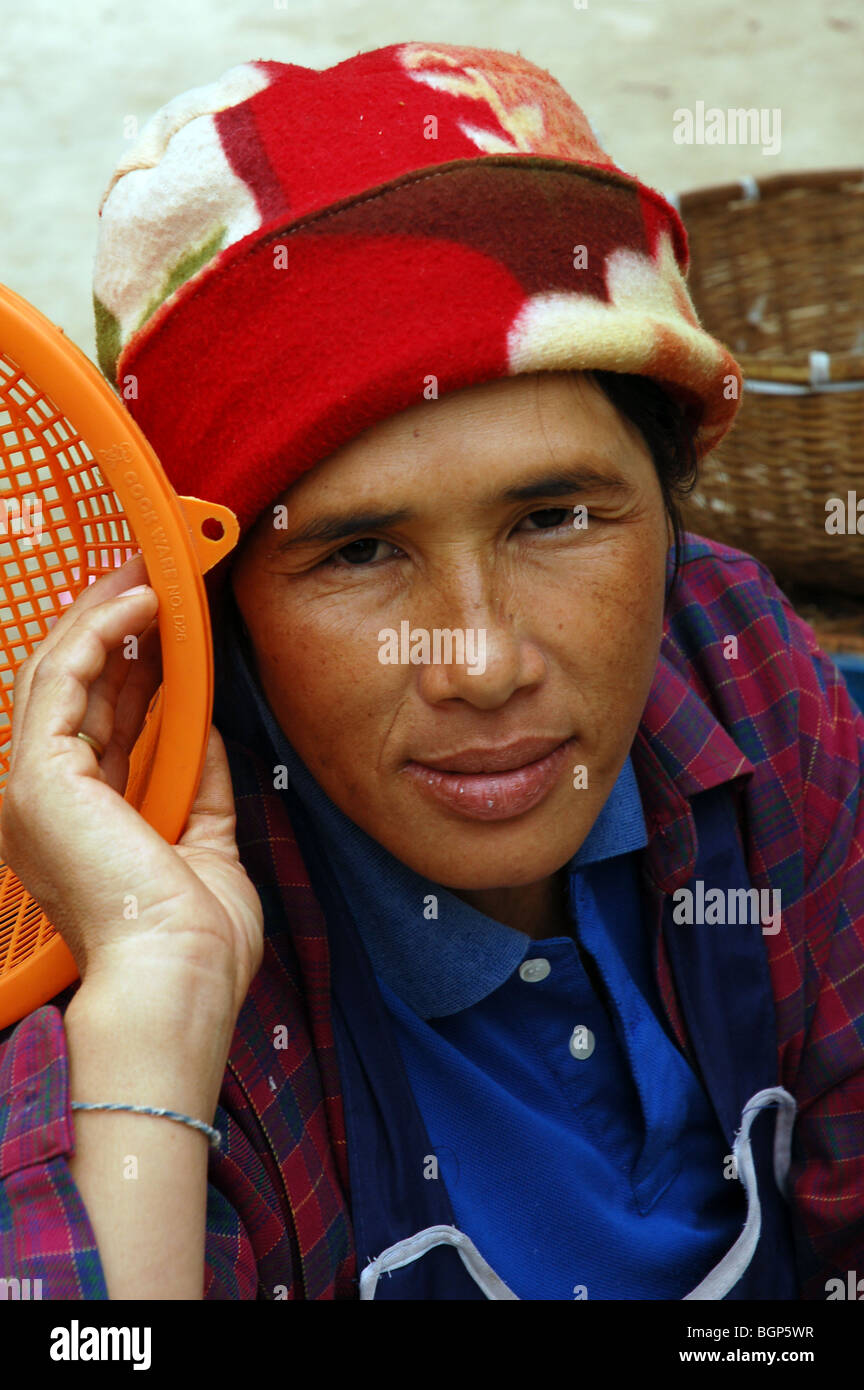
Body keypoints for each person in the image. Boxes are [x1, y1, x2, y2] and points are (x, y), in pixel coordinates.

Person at [1, 41, 862, 1301]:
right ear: (213, 606)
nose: (481, 662)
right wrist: (157, 1003)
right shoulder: (122, 896)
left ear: (672, 506)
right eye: (356, 551)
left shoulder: (731, 663)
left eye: (558, 517)